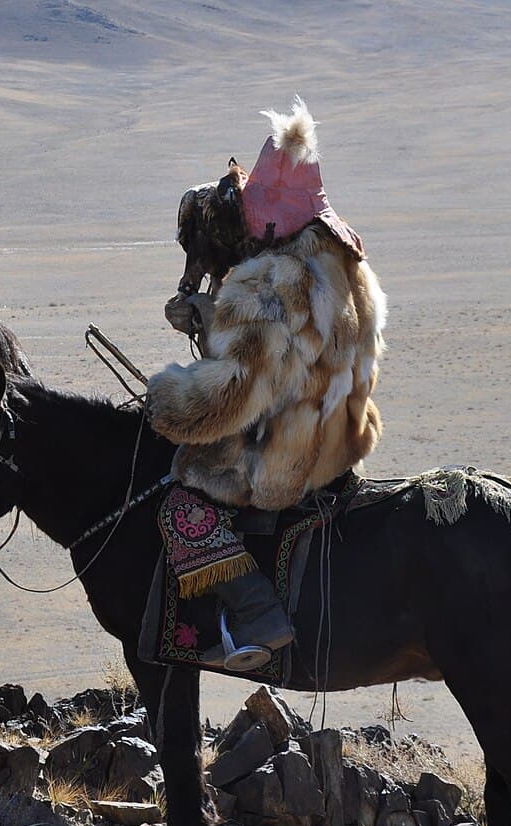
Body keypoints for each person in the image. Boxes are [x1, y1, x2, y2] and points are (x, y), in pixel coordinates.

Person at [150, 97, 387, 670]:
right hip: (339, 443)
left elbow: (229, 398)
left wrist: (165, 400)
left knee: (181, 502)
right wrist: (213, 319)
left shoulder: (270, 282)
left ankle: (259, 619)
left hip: (286, 461)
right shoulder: (347, 265)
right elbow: (294, 363)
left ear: (267, 220)